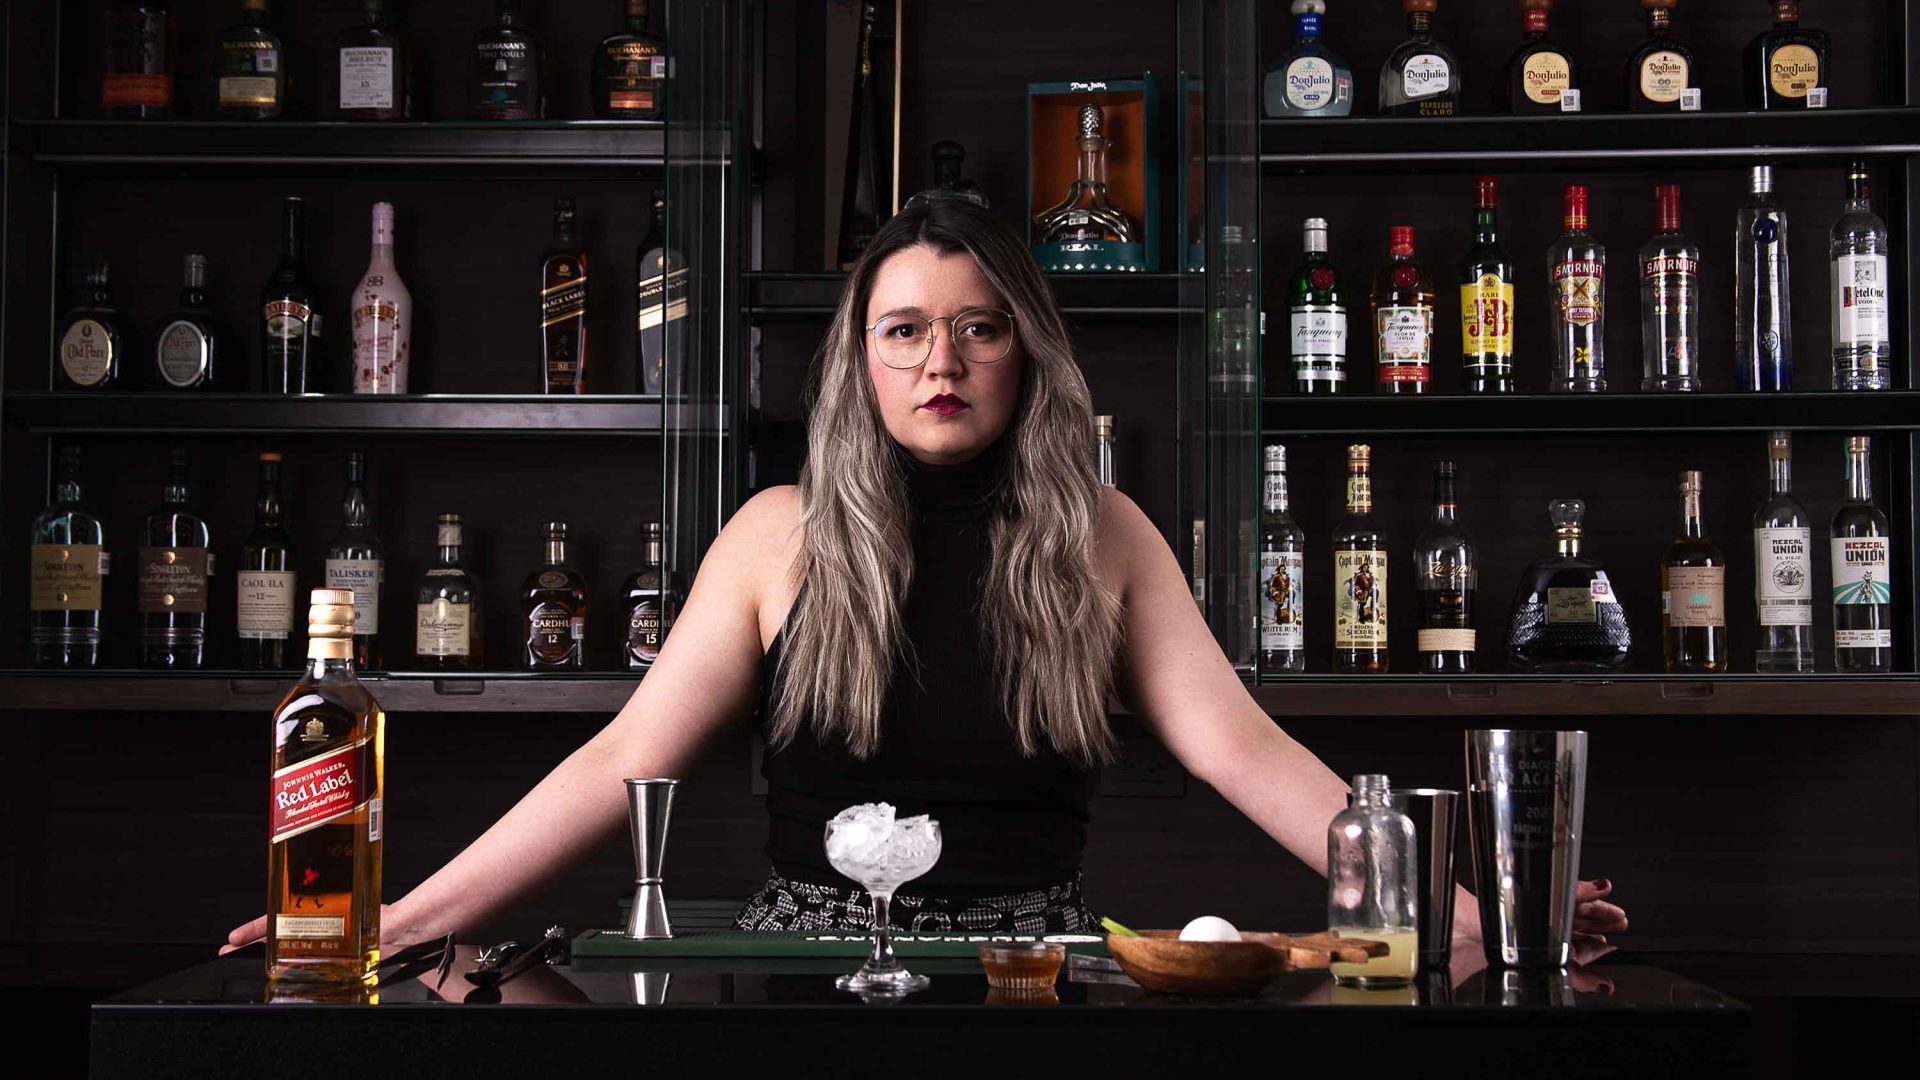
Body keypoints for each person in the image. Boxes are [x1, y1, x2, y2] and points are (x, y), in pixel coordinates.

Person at [226, 197, 1627, 952]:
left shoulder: (1102, 532)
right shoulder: (778, 534)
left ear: (1029, 353)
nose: (939, 364)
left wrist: (1476, 909)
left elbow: (1246, 755)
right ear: (862, 358)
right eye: (903, 331)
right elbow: (622, 762)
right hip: (802, 975)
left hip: (1036, 975)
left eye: (976, 329)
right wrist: (391, 922)